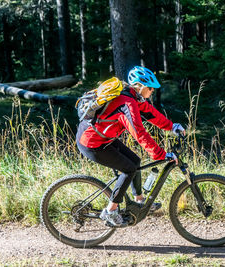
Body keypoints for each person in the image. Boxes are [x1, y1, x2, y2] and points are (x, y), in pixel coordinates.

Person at [76, 66, 185, 227]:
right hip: (92, 143)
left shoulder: (134, 97)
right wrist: (160, 154)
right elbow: (139, 132)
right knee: (129, 169)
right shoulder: (127, 103)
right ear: (140, 86)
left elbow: (151, 114)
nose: (152, 91)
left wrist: (172, 126)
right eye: (150, 88)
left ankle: (138, 201)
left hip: (104, 139)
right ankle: (110, 211)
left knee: (135, 161)